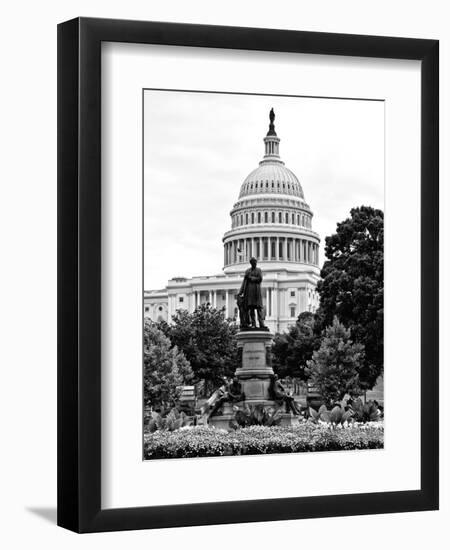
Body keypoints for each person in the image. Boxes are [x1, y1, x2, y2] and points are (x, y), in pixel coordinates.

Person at [238, 257, 266, 329]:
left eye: (255, 262)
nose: (255, 263)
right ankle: (253, 324)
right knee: (251, 309)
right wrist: (241, 292)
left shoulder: (259, 270)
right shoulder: (247, 271)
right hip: (249, 292)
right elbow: (244, 282)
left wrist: (251, 278)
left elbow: (260, 279)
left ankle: (261, 323)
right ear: (251, 263)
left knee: (259, 308)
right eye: (253, 262)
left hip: (257, 291)